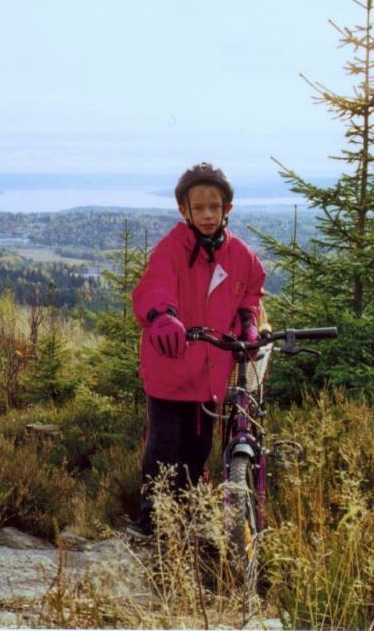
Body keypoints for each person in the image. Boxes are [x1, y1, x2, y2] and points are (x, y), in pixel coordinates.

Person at [126, 162, 266, 538]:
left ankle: (186, 515)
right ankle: (151, 522)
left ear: (227, 210)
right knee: (163, 447)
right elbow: (155, 285)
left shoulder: (240, 255)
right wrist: (162, 316)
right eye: (198, 207)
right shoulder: (171, 248)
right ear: (184, 210)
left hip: (210, 371)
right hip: (170, 366)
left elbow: (251, 293)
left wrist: (248, 321)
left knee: (198, 448)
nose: (207, 215)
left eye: (214, 207)